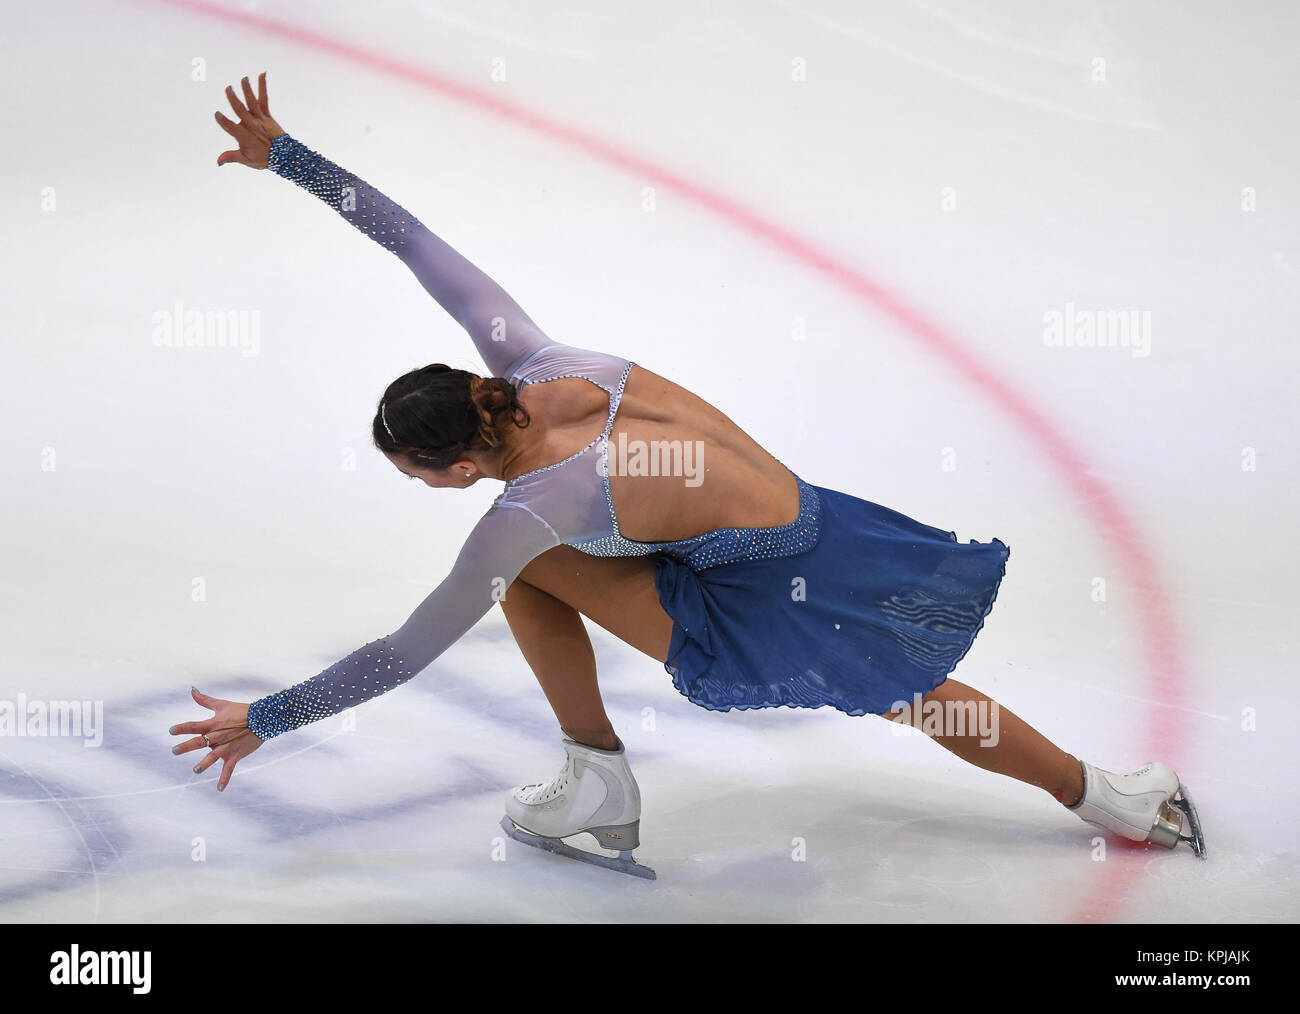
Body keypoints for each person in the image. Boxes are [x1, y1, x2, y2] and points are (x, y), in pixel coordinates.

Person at [168, 74, 1204, 876]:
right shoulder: (532, 360)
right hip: (817, 519)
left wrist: (267, 720)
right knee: (913, 693)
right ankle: (599, 781)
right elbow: (413, 240)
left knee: (918, 699)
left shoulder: (532, 506)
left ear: (461, 456)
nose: (421, 490)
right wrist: (288, 157)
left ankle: (1102, 797)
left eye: (418, 476)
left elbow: (407, 649)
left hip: (764, 595)